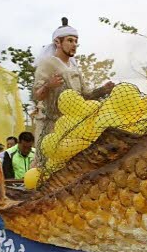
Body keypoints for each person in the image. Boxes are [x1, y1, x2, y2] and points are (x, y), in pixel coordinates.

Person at [32, 17, 114, 153]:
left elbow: (85, 96)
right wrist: (48, 86)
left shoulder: (74, 67)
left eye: (76, 41)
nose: (74, 44)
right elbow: (37, 95)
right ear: (57, 42)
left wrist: (102, 90)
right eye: (70, 40)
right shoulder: (47, 64)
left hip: (71, 125)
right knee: (46, 162)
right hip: (49, 126)